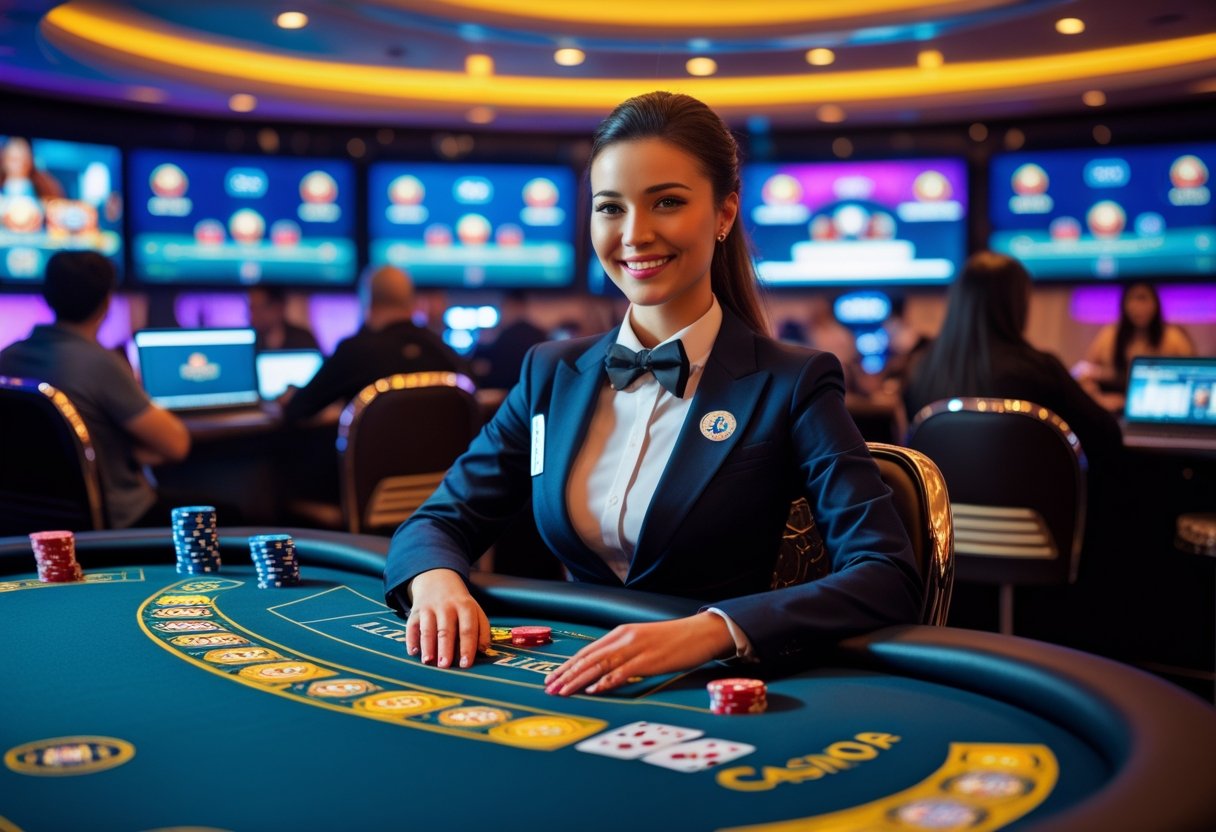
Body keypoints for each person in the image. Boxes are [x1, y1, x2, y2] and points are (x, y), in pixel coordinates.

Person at [384, 91, 922, 696]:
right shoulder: (549, 373)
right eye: (610, 208)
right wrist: (435, 580)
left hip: (705, 690)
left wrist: (714, 628)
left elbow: (886, 573)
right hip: (561, 680)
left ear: (724, 214)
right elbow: (439, 520)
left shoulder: (793, 381)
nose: (635, 234)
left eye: (666, 202)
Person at [0, 251, 190, 527]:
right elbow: (176, 445)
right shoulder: (100, 364)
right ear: (107, 302)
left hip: (28, 526)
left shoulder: (6, 358)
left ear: (47, 295)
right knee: (230, 515)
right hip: (114, 521)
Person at [902, 251, 1122, 468]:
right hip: (1033, 503)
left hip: (942, 503)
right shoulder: (1040, 370)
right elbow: (1108, 435)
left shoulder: (920, 369)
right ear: (1016, 305)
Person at [281, 264, 468, 422]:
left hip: (370, 465)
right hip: (441, 465)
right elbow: (473, 394)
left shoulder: (354, 351)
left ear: (367, 301)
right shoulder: (439, 348)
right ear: (410, 301)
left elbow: (298, 410)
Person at [1076, 282, 1195, 405]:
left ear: (1156, 303)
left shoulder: (1173, 336)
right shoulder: (1110, 334)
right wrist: (1098, 398)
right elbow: (1084, 372)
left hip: (1161, 403)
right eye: (1131, 299)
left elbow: (1193, 375)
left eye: (1143, 298)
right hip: (1116, 405)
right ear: (1124, 304)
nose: (1137, 306)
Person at [469, 290, 547, 389]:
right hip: (534, 392)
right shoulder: (539, 334)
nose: (503, 312)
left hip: (506, 393)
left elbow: (494, 371)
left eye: (504, 307)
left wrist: (480, 345)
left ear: (514, 306)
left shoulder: (507, 335)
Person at [247, 285, 319, 352]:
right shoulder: (248, 341)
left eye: (260, 309)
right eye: (252, 309)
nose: (254, 315)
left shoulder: (303, 338)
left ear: (278, 308)